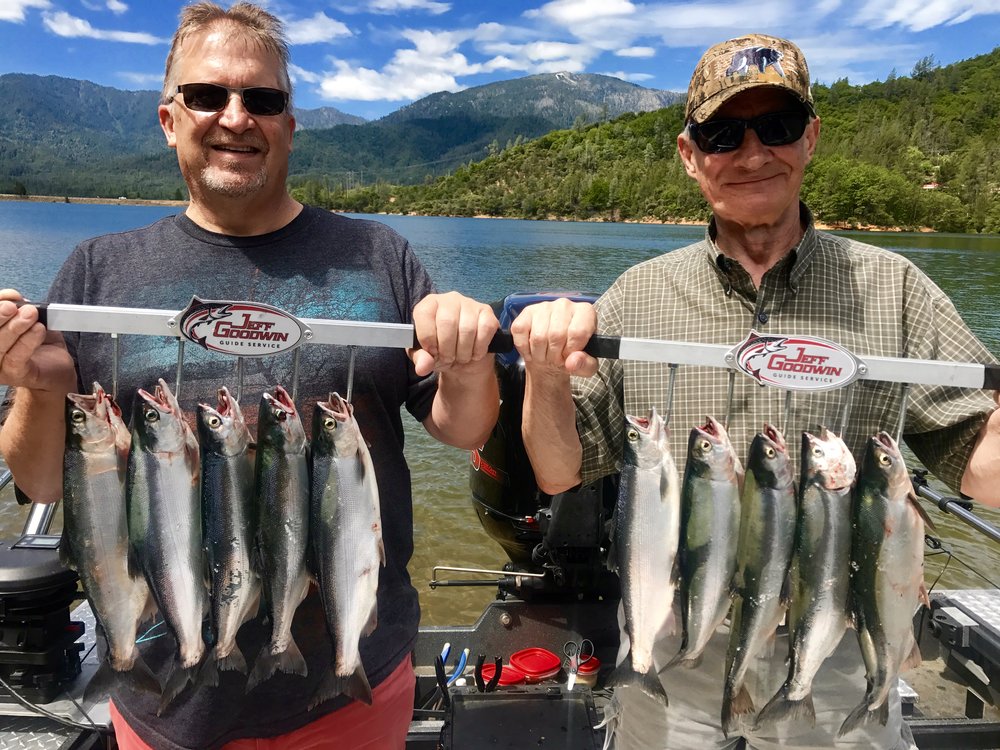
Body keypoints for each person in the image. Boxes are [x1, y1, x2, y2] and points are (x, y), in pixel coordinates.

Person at [0, 3, 499, 748]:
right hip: (166, 701)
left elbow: (465, 427)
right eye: (207, 95)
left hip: (353, 685)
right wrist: (38, 387)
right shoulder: (96, 273)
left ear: (289, 126)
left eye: (263, 100)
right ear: (168, 119)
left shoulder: (380, 256)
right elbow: (42, 484)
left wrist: (470, 356)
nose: (236, 117)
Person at [511, 33, 1000, 750]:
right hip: (675, 650)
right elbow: (558, 470)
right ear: (688, 155)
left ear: (811, 139)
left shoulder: (899, 292)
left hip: (835, 645)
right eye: (721, 133)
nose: (751, 153)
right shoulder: (634, 298)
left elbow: (978, 456)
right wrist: (544, 373)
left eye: (776, 127)